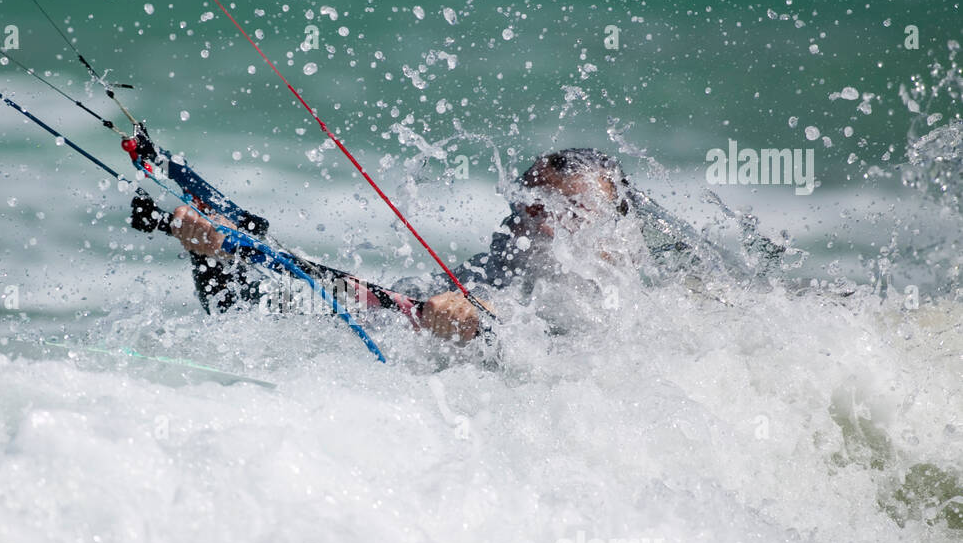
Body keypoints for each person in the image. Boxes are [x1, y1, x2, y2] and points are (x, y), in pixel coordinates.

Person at [166, 147, 773, 342]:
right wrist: (217, 252)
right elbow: (248, 321)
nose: (532, 227)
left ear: (614, 225)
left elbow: (554, 342)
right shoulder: (474, 278)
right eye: (525, 210)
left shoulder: (668, 301)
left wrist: (484, 326)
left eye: (559, 213)